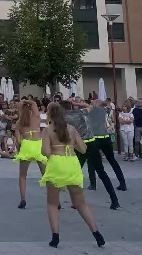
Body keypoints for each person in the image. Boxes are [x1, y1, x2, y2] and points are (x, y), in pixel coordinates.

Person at [39, 102, 105, 249]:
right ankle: (97, 234)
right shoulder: (72, 129)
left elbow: (45, 152)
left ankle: (55, 237)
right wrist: (70, 145)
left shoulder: (48, 130)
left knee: (52, 203)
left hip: (57, 163)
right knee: (80, 203)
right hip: (72, 163)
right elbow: (83, 149)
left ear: (49, 114)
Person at [65, 100, 120, 210]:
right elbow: (90, 106)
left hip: (79, 145)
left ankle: (75, 201)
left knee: (73, 173)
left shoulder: (63, 117)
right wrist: (77, 103)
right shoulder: (81, 112)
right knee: (101, 172)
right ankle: (114, 200)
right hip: (91, 142)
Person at [82, 99, 126, 192]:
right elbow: (108, 105)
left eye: (93, 102)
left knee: (91, 161)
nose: (91, 102)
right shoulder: (105, 110)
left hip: (95, 138)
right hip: (106, 137)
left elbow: (85, 106)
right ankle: (122, 183)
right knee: (112, 160)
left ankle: (93, 184)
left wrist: (74, 102)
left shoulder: (92, 110)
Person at [13, 100, 47, 209]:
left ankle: (23, 199)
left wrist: (19, 151)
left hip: (26, 145)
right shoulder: (37, 118)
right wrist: (25, 101)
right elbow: (33, 103)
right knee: (46, 174)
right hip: (37, 144)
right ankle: (54, 199)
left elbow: (18, 141)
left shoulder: (18, 123)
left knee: (23, 176)